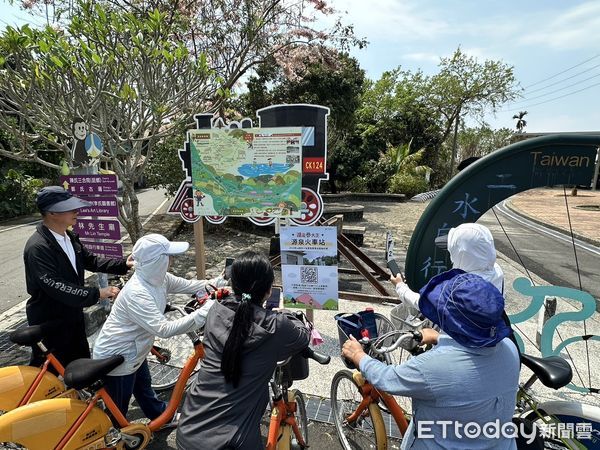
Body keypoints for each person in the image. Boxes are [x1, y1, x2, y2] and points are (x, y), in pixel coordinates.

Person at [343, 269, 520, 449]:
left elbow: (386, 379)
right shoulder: (509, 349)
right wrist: (439, 337)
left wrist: (358, 355)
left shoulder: (431, 367)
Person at [176, 251, 310, 450]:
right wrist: (286, 316)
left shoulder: (215, 311)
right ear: (268, 290)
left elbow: (240, 319)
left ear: (233, 284)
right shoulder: (276, 326)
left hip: (188, 430)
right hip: (230, 443)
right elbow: (302, 336)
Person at [92, 233, 226, 421]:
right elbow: (163, 329)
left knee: (144, 388)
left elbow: (189, 285)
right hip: (117, 357)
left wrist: (216, 283)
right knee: (118, 410)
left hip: (135, 350)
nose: (171, 260)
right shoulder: (138, 293)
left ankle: (160, 416)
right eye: (168, 256)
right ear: (157, 261)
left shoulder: (159, 278)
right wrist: (204, 312)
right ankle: (115, 440)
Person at [24, 186, 133, 368]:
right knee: (47, 376)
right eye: (69, 207)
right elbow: (56, 286)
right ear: (52, 212)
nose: (77, 211)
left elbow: (90, 260)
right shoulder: (38, 248)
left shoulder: (68, 237)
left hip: (72, 316)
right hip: (49, 323)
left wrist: (123, 264)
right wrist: (97, 293)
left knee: (81, 367)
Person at [392, 222, 504, 310]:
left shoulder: (460, 288)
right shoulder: (497, 272)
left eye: (452, 252)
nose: (451, 256)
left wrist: (400, 286)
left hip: (455, 339)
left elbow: (423, 303)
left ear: (462, 253)